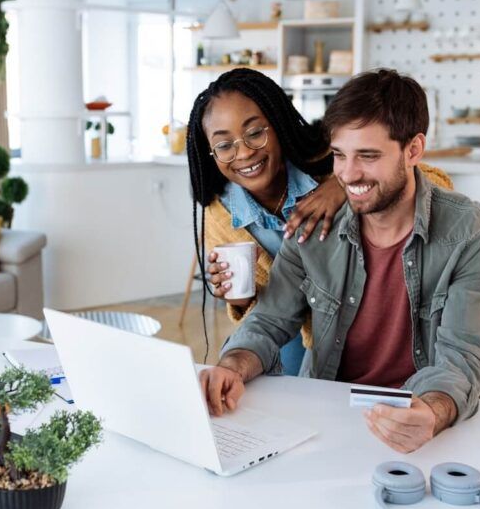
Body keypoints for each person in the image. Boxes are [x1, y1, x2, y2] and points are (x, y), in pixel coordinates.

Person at [198, 69, 480, 454]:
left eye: (368, 156)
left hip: (419, 415)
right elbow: (269, 320)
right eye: (340, 156)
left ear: (413, 150)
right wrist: (232, 366)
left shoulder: (475, 236)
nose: (347, 174)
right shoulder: (312, 226)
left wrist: (432, 410)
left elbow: (462, 357)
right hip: (329, 411)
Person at [186, 68, 452, 376]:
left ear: (278, 125)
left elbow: (437, 184)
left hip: (361, 325)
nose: (243, 152)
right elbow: (264, 314)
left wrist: (343, 186)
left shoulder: (332, 163)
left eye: (255, 133)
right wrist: (240, 297)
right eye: (223, 145)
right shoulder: (219, 214)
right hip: (292, 326)